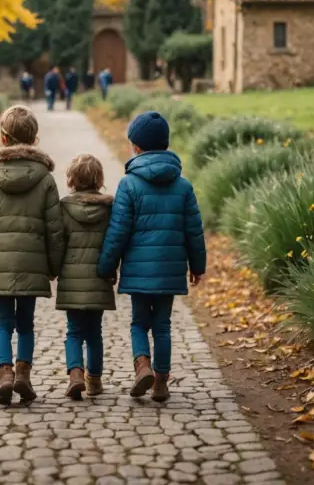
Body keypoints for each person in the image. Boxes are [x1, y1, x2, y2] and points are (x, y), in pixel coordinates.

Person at [97, 111, 206, 403]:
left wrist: (107, 266)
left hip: (137, 271)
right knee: (163, 326)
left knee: (138, 323)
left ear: (136, 147)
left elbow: (118, 231)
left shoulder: (128, 185)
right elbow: (194, 231)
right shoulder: (183, 186)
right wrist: (198, 266)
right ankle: (160, 382)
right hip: (170, 271)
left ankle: (141, 365)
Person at [0, 105, 65, 404]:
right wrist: (53, 265)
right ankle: (23, 374)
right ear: (33, 140)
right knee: (27, 323)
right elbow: (55, 228)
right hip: (32, 263)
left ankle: (4, 373)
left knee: (3, 322)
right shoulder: (45, 178)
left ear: (3, 139)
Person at [56, 154, 115, 399]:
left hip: (71, 277)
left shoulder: (64, 207)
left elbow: (57, 243)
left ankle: (75, 374)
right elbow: (113, 242)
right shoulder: (109, 209)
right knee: (94, 332)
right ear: (99, 180)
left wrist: (55, 268)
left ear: (71, 180)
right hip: (98, 278)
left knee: (73, 331)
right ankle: (95, 380)